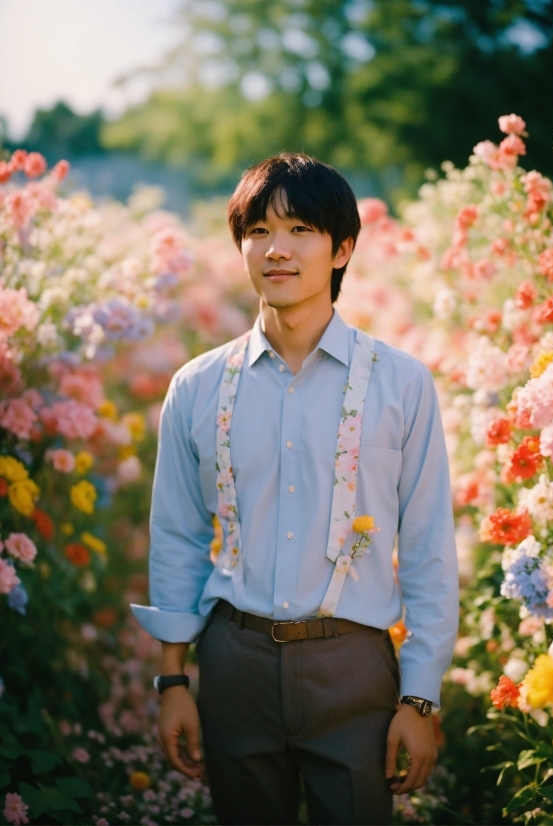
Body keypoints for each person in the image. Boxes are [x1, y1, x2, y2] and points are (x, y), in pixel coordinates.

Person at [131, 153, 459, 826]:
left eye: (300, 229)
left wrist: (419, 700)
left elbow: (428, 549)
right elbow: (178, 535)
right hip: (235, 664)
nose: (275, 250)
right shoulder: (196, 387)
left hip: (355, 668)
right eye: (257, 231)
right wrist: (172, 681)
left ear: (341, 248)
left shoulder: (401, 384)